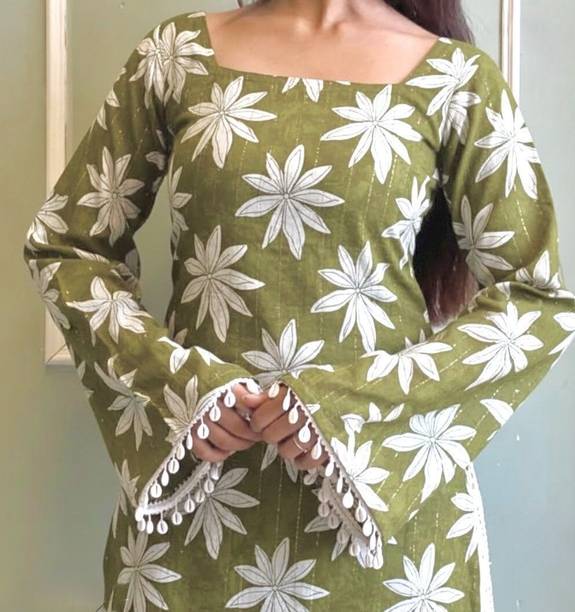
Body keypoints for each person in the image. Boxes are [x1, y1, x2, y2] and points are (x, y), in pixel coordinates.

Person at [22, 1, 575, 610]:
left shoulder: (457, 80)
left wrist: (345, 412)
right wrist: (180, 390)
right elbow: (67, 247)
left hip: (384, 534)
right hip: (195, 507)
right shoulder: (175, 57)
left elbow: (537, 300)